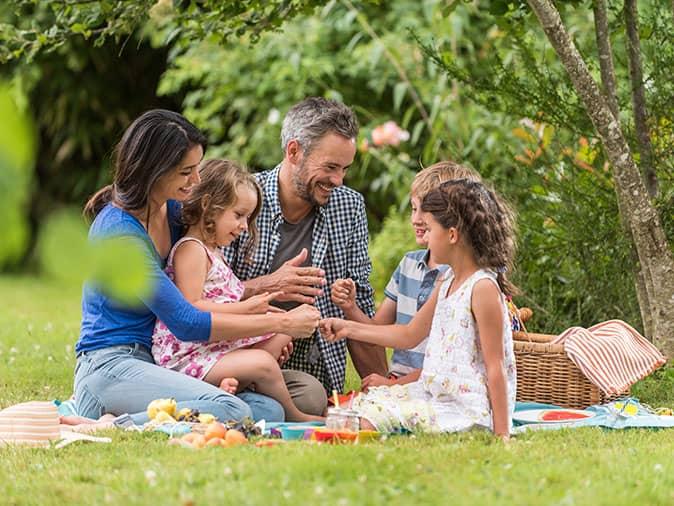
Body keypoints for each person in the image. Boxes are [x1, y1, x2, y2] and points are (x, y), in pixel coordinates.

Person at [72, 109, 320, 427]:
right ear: (154, 171)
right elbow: (186, 321)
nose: (197, 181)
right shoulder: (119, 233)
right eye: (186, 172)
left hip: (155, 362)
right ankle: (112, 424)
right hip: (110, 365)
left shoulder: (172, 213)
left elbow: (208, 287)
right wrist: (282, 322)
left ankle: (145, 413)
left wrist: (268, 286)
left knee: (269, 411)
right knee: (233, 411)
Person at [320, 179, 517, 439]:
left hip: (465, 408)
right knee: (346, 410)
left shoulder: (481, 288)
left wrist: (502, 434)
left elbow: (496, 366)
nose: (425, 236)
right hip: (433, 392)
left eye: (431, 228)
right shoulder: (448, 281)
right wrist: (347, 327)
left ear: (452, 235)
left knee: (361, 421)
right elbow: (409, 334)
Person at [224, 97, 387, 409]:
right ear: (294, 151)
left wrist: (383, 393)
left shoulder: (348, 207)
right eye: (330, 167)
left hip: (310, 367)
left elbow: (361, 305)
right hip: (235, 356)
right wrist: (270, 285)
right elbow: (203, 298)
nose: (338, 181)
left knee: (312, 397)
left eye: (345, 169)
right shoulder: (240, 199)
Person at [151, 159, 323, 422]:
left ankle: (236, 384)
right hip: (188, 356)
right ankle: (294, 415)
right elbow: (191, 307)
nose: (244, 226)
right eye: (239, 215)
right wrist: (246, 309)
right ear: (209, 205)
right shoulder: (191, 250)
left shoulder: (213, 252)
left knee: (282, 334)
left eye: (248, 217)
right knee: (265, 362)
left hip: (213, 347)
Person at [331, 161, 480, 392]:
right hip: (398, 382)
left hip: (438, 384)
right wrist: (350, 308)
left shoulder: (460, 276)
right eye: (413, 208)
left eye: (426, 211)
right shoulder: (409, 265)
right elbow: (376, 332)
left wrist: (394, 386)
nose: (416, 219)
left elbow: (448, 364)